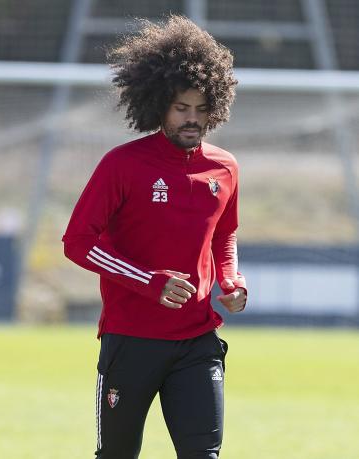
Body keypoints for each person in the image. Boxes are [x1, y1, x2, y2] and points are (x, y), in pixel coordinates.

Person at [62, 16, 247, 459]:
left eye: (202, 109)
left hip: (198, 339)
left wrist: (231, 280)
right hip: (131, 338)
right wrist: (149, 280)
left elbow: (224, 234)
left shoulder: (225, 167)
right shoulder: (122, 165)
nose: (193, 119)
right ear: (159, 104)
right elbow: (77, 241)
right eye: (182, 108)